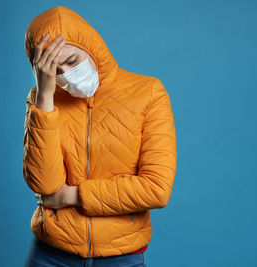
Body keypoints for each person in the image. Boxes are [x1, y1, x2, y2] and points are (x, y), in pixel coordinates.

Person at [22, 6, 177, 267]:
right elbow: (45, 186)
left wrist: (71, 196)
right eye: (54, 71)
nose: (66, 75)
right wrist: (45, 97)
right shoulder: (41, 100)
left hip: (121, 255)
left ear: (92, 47)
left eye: (71, 61)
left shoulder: (148, 93)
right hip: (51, 253)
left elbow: (156, 189)